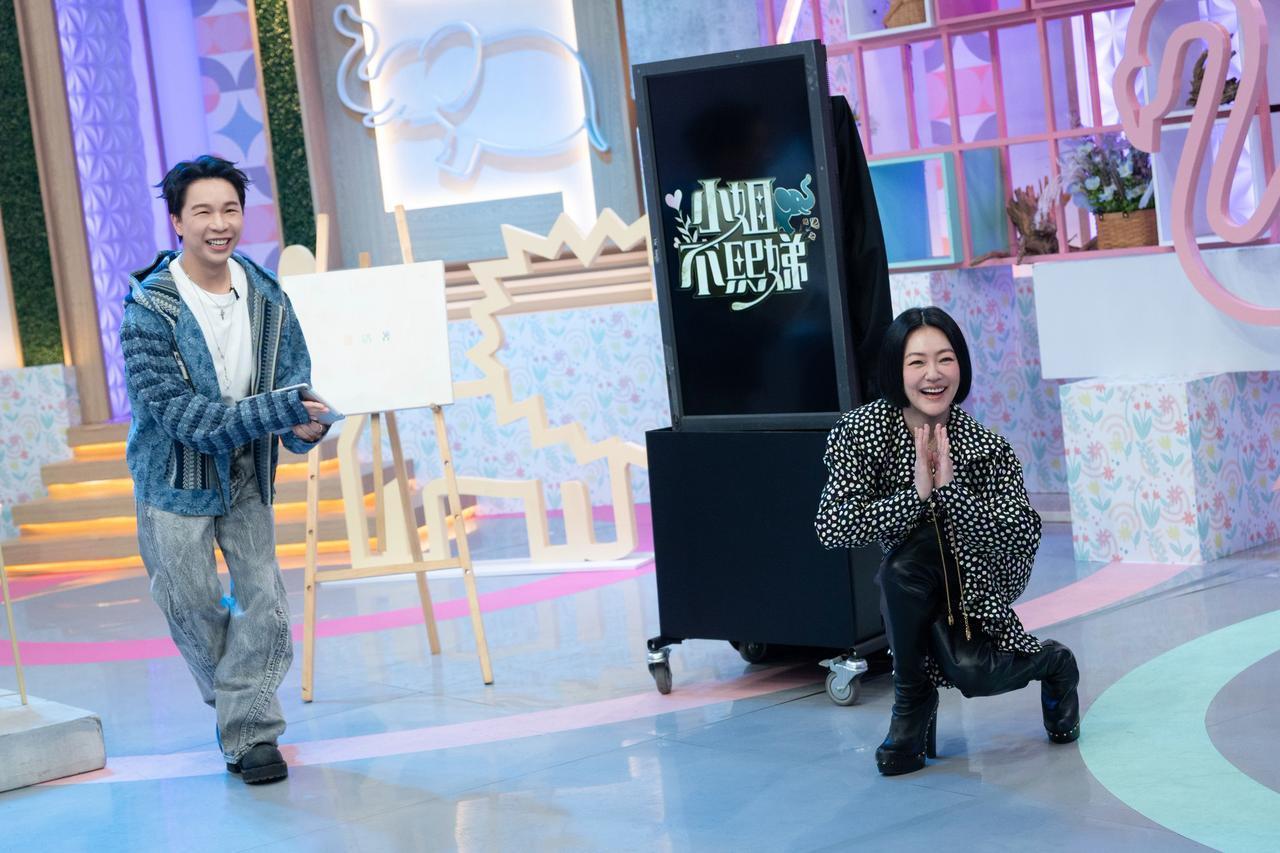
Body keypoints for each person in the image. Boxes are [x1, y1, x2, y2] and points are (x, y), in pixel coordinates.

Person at [120, 155, 328, 784]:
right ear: (177, 221)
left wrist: (302, 426)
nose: (220, 224)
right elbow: (183, 417)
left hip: (247, 470)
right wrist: (278, 411)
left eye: (231, 209)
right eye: (204, 211)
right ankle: (241, 709)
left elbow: (292, 382)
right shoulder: (148, 310)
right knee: (191, 602)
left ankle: (252, 733)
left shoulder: (267, 296)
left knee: (263, 601)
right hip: (174, 477)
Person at [814, 306, 1080, 776]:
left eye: (945, 359)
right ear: (895, 369)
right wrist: (915, 496)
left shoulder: (986, 447)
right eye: (917, 362)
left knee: (975, 673)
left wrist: (951, 494)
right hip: (909, 582)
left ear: (961, 366)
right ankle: (911, 699)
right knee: (902, 568)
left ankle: (1054, 662)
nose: (933, 374)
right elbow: (833, 527)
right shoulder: (860, 433)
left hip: (978, 577)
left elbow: (1023, 534)